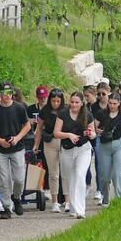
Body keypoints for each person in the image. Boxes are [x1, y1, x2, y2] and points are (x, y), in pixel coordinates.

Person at [0, 81, 31, 219]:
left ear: (12, 94)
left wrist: (17, 138)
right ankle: (7, 207)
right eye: (3, 93)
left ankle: (17, 197)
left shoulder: (19, 108)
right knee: (3, 179)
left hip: (17, 147)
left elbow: (27, 125)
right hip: (0, 149)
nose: (6, 96)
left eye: (8, 93)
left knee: (19, 178)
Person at [53, 91, 96, 219]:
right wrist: (69, 135)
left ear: (82, 103)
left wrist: (90, 133)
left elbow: (93, 134)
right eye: (72, 102)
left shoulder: (87, 115)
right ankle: (72, 207)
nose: (74, 104)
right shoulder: (63, 114)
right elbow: (56, 133)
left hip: (83, 149)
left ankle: (80, 210)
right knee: (70, 178)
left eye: (77, 102)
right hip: (67, 149)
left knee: (80, 175)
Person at [94, 93, 121, 205]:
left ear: (119, 103)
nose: (112, 106)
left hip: (119, 144)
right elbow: (94, 128)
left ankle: (119, 199)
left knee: (117, 174)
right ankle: (105, 197)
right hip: (104, 145)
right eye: (110, 103)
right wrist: (96, 131)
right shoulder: (101, 114)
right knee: (105, 175)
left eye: (114, 104)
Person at [35, 89, 65, 211]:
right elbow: (39, 129)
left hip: (64, 141)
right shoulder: (45, 111)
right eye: (53, 101)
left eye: (58, 101)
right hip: (50, 142)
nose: (56, 104)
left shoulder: (65, 110)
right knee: (53, 173)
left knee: (66, 172)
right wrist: (36, 145)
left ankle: (67, 199)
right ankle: (55, 201)